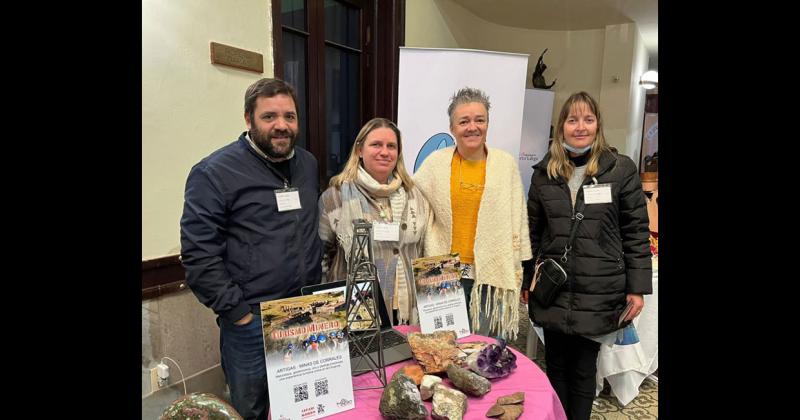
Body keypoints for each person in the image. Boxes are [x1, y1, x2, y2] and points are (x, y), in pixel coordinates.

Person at [180, 78, 321, 420]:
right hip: (251, 321)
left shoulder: (307, 164)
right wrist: (238, 313)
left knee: (307, 404)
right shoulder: (213, 173)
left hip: (304, 312)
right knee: (252, 410)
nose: (281, 126)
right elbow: (198, 253)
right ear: (248, 119)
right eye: (269, 116)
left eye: (289, 116)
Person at [521, 91, 652, 420]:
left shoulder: (619, 170)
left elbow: (635, 232)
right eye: (572, 119)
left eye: (588, 119)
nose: (580, 127)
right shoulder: (544, 174)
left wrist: (637, 287)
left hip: (599, 290)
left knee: (583, 371)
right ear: (561, 126)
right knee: (556, 368)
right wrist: (526, 280)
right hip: (553, 288)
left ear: (598, 125)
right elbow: (531, 233)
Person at [414, 87, 532, 340]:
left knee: (486, 351)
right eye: (464, 121)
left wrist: (521, 265)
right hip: (444, 274)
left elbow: (519, 216)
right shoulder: (435, 164)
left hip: (491, 274)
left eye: (480, 120)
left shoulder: (505, 164)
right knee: (444, 349)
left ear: (488, 124)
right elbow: (411, 202)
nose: (472, 127)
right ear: (452, 127)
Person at [318, 118, 432, 325]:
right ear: (360, 150)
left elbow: (422, 249)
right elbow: (323, 258)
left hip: (408, 308)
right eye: (376, 144)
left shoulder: (415, 195)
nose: (384, 152)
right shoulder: (335, 197)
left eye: (391, 146)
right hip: (356, 310)